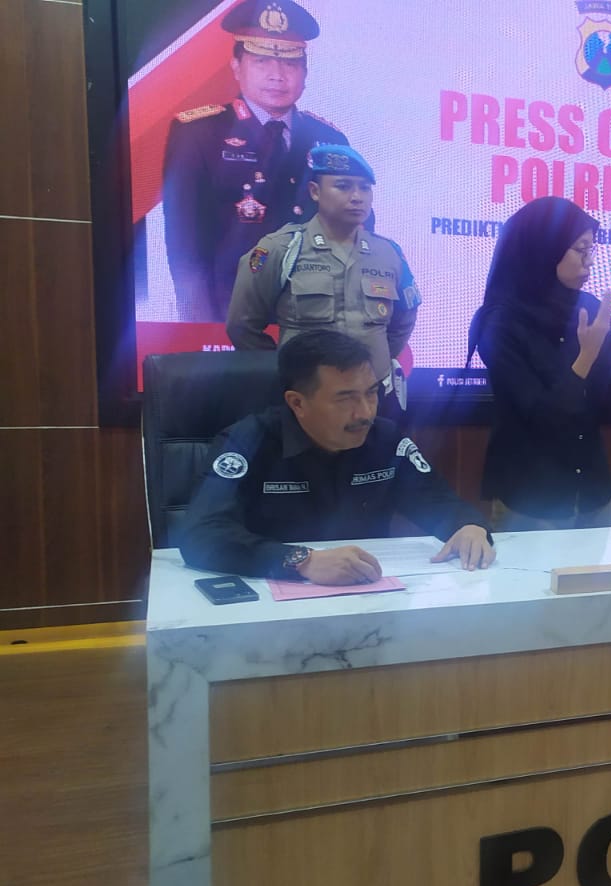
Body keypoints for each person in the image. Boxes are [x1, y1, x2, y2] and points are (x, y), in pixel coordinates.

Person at [180, 331, 494, 583]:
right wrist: (302, 561)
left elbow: (440, 503)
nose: (365, 413)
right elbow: (201, 534)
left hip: (371, 595)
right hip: (272, 599)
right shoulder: (247, 442)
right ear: (297, 403)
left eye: (371, 393)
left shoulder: (386, 440)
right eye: (346, 399)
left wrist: (469, 527)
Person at [163, 0, 349, 322]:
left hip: (314, 323)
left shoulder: (330, 141)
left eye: (290, 64)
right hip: (232, 320)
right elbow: (185, 248)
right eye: (262, 61)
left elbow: (352, 236)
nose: (277, 75)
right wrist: (201, 331)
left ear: (305, 73)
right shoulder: (199, 134)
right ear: (236, 67)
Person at [468, 196, 611, 530]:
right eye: (581, 250)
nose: (590, 262)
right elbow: (541, 414)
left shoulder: (591, 309)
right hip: (530, 497)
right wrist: (585, 358)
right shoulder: (501, 321)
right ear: (545, 249)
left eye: (592, 250)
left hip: (592, 490)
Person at [226, 144, 420, 419]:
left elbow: (404, 318)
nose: (357, 197)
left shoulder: (389, 254)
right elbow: (242, 325)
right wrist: (286, 371)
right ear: (315, 191)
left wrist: (376, 362)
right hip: (308, 407)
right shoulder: (281, 249)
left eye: (365, 188)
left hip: (372, 402)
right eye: (343, 186)